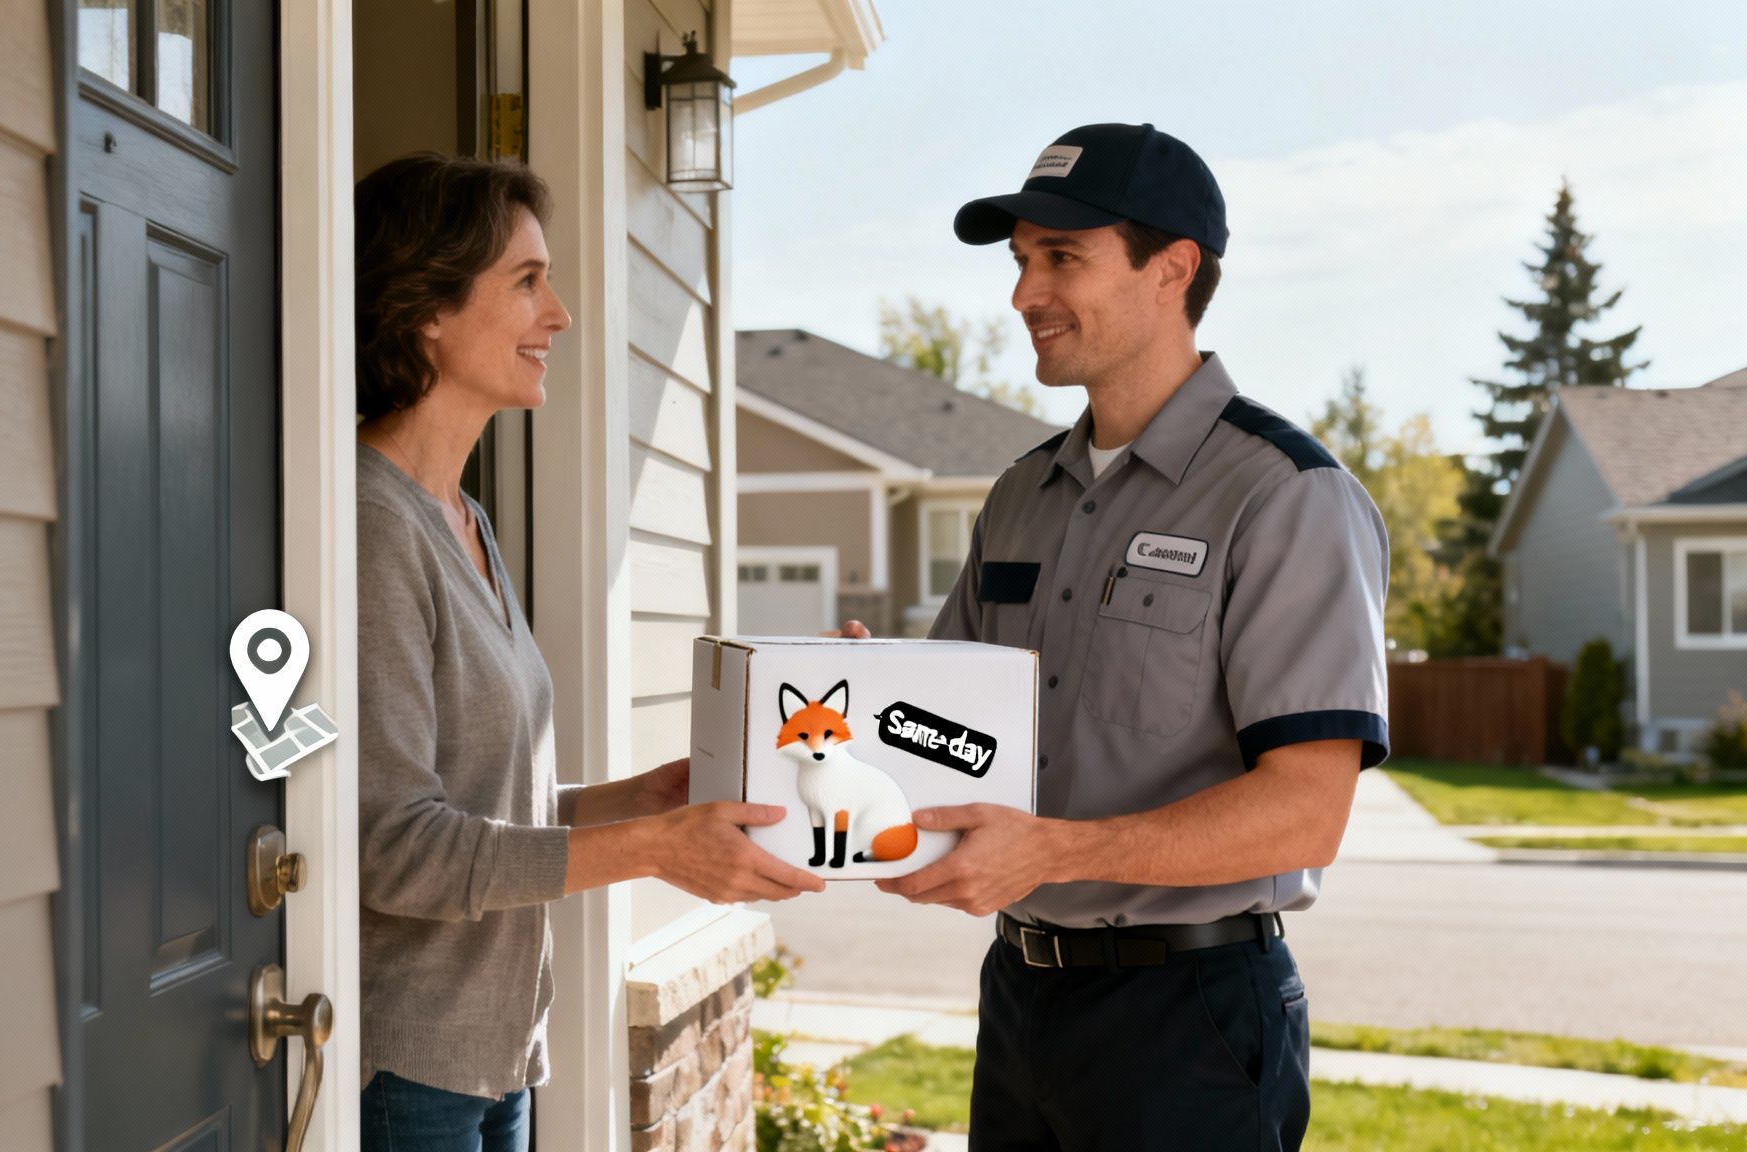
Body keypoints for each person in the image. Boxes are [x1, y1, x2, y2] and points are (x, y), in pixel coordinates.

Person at [851, 123, 1390, 1150]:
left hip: (1191, 1020)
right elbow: (943, 737)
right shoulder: (1020, 495)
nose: (1024, 294)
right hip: (1021, 998)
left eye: (1062, 257)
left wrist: (1051, 851)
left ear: (1172, 269)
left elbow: (1304, 813)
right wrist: (854, 699)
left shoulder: (1285, 495)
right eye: (1020, 261)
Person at [353, 152, 824, 1151]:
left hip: (497, 1057)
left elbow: (482, 809)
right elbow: (394, 850)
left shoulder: (464, 519)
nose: (558, 314)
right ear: (427, 308)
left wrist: (638, 802)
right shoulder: (372, 525)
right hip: (408, 1071)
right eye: (526, 281)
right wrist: (654, 850)